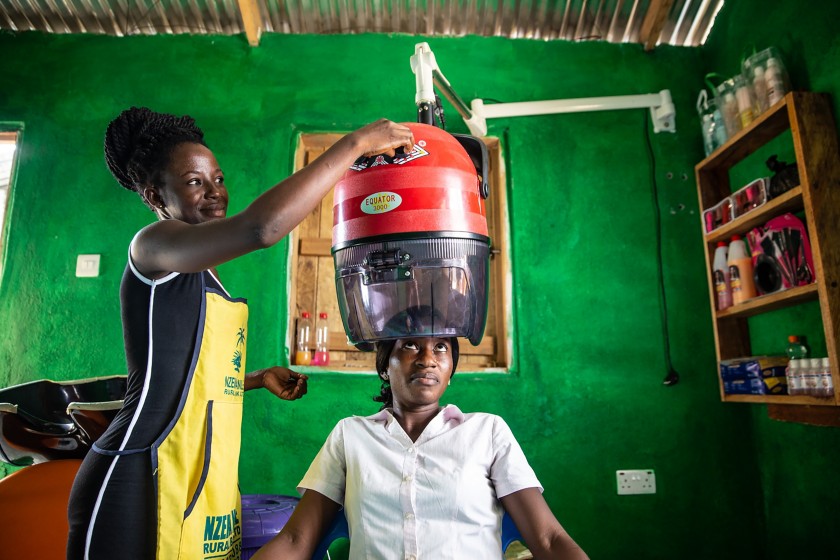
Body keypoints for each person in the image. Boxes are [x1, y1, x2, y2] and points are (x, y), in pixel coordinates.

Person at [66, 107, 415, 560]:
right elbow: (261, 228)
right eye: (195, 182)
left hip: (189, 473)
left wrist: (250, 379)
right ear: (155, 194)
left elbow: (177, 371)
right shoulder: (150, 246)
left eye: (218, 178)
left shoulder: (200, 272)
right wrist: (355, 144)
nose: (215, 193)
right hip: (136, 472)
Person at [253, 335, 589, 559]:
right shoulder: (350, 435)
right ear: (385, 365)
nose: (428, 358)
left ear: (451, 368)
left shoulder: (487, 431)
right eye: (411, 345)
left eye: (442, 347)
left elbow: (547, 540)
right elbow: (297, 540)